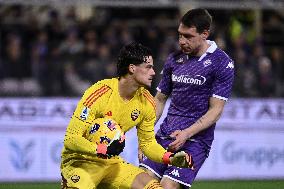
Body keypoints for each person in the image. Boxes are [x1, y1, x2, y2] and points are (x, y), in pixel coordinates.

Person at [60, 42, 194, 189]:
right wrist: (101, 149)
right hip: (80, 162)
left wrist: (171, 158)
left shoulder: (147, 102)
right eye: (148, 67)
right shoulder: (99, 93)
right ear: (132, 68)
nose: (154, 73)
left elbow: (147, 144)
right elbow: (71, 139)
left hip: (111, 163)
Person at [139, 8, 234, 188]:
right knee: (142, 181)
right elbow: (159, 99)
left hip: (195, 142)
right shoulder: (174, 59)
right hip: (165, 135)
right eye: (180, 35)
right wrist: (146, 134)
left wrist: (187, 134)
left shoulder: (222, 63)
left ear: (204, 34)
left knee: (168, 185)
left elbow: (216, 110)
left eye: (188, 36)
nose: (182, 41)